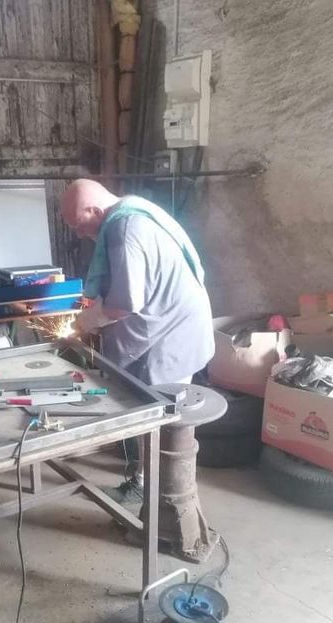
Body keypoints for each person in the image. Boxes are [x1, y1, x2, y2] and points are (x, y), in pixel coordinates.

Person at [60, 178, 214, 504]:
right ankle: (146, 478)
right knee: (151, 411)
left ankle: (150, 492)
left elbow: (126, 303)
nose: (79, 233)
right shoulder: (134, 211)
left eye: (78, 224)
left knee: (157, 414)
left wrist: (86, 321)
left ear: (94, 210)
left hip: (173, 332)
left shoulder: (124, 229)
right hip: (171, 322)